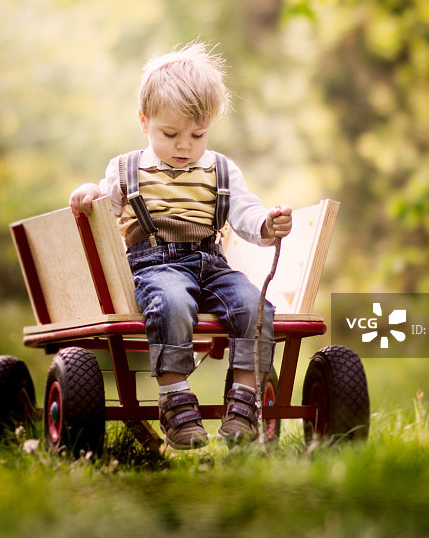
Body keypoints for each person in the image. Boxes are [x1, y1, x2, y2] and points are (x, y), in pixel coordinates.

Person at [69, 43, 292, 449]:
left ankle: (243, 400)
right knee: (172, 302)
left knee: (255, 306)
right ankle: (175, 401)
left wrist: (266, 224)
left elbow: (245, 213)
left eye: (198, 134)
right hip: (155, 265)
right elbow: (103, 205)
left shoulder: (221, 169)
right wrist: (87, 193)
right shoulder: (126, 169)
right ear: (144, 121)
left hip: (212, 263)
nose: (184, 145)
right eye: (170, 134)